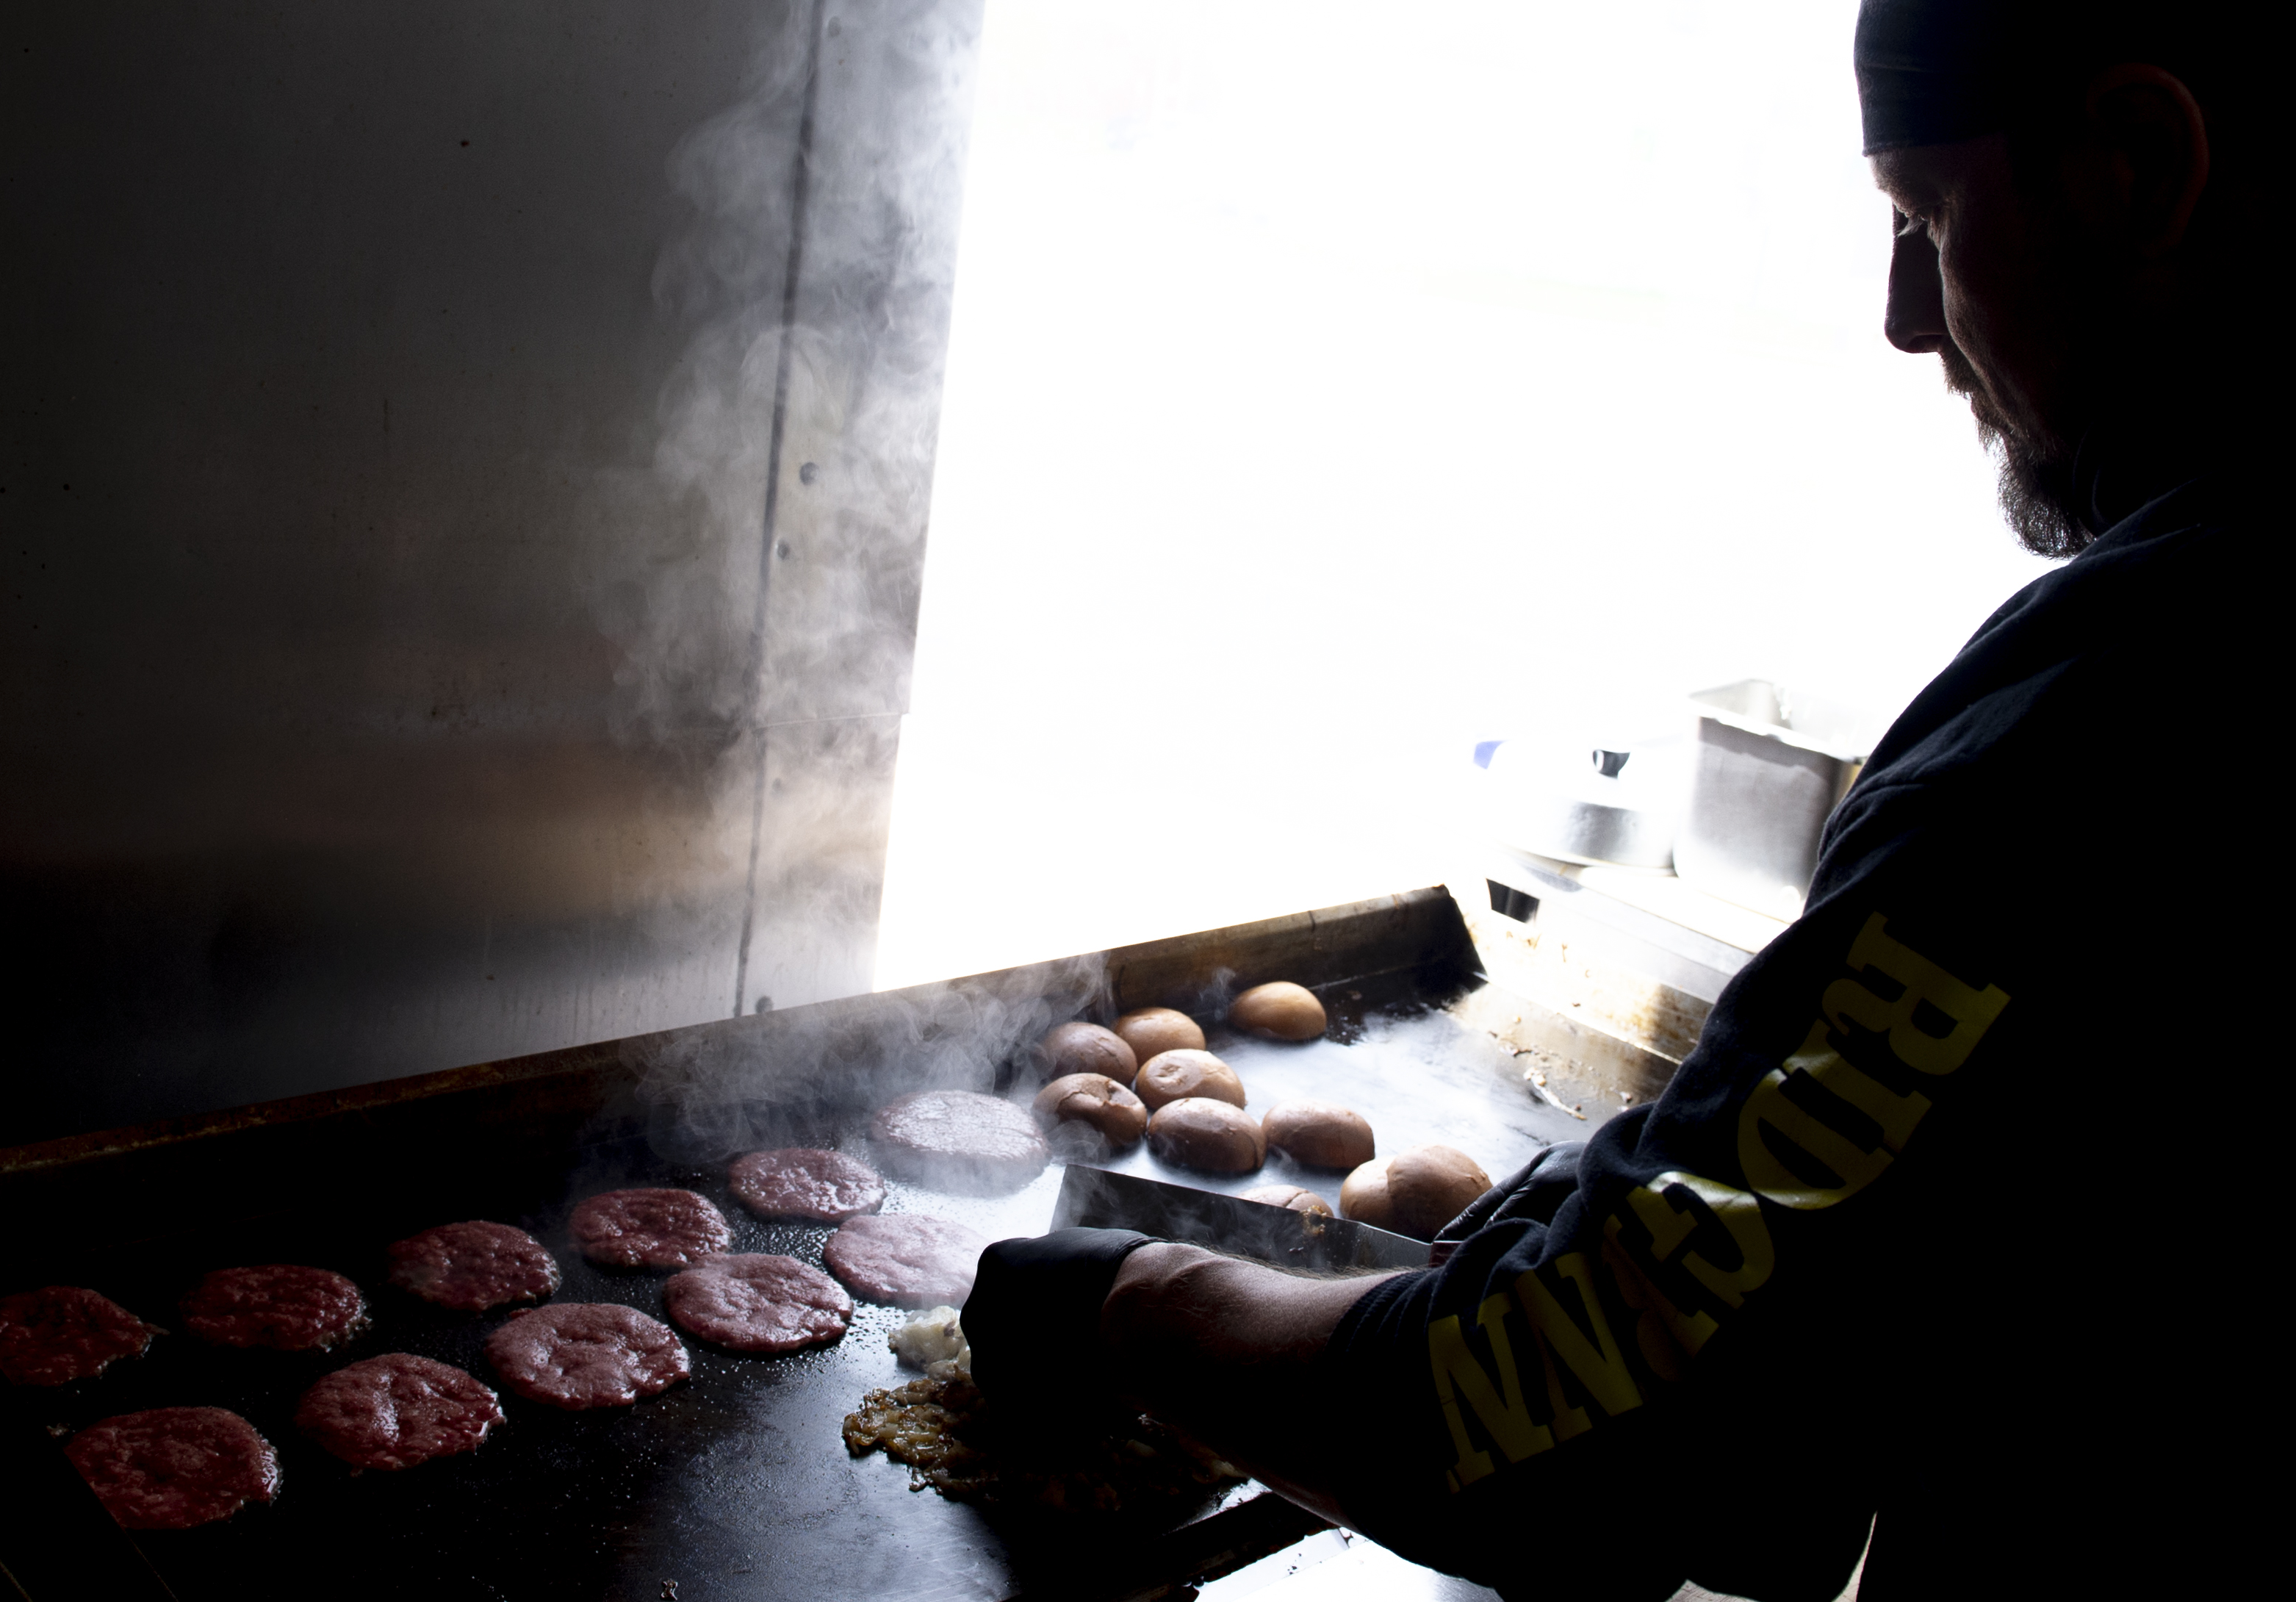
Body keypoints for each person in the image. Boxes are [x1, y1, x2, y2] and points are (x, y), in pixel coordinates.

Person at [962, 3, 2275, 1597]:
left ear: (2139, 164)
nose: (1901, 317)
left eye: (1928, 217)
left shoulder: (2116, 720)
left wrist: (1139, 1296)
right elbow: (1798, 1439)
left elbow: (1584, 1446)